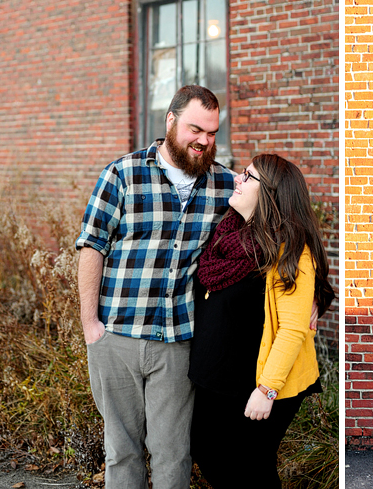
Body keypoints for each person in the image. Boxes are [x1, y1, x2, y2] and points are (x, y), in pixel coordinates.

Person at [76, 85, 235, 489]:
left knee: (173, 453)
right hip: (116, 338)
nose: (204, 141)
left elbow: (281, 223)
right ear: (171, 121)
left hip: (178, 344)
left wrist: (312, 292)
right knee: (122, 451)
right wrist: (90, 326)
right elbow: (92, 246)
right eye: (196, 129)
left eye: (213, 133)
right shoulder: (123, 173)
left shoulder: (226, 186)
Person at [189, 153, 335, 488]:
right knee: (208, 450)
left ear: (270, 192)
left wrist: (266, 391)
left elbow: (291, 330)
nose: (237, 180)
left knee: (251, 465)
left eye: (247, 176)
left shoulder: (290, 250)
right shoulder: (228, 234)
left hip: (259, 383)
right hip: (218, 376)